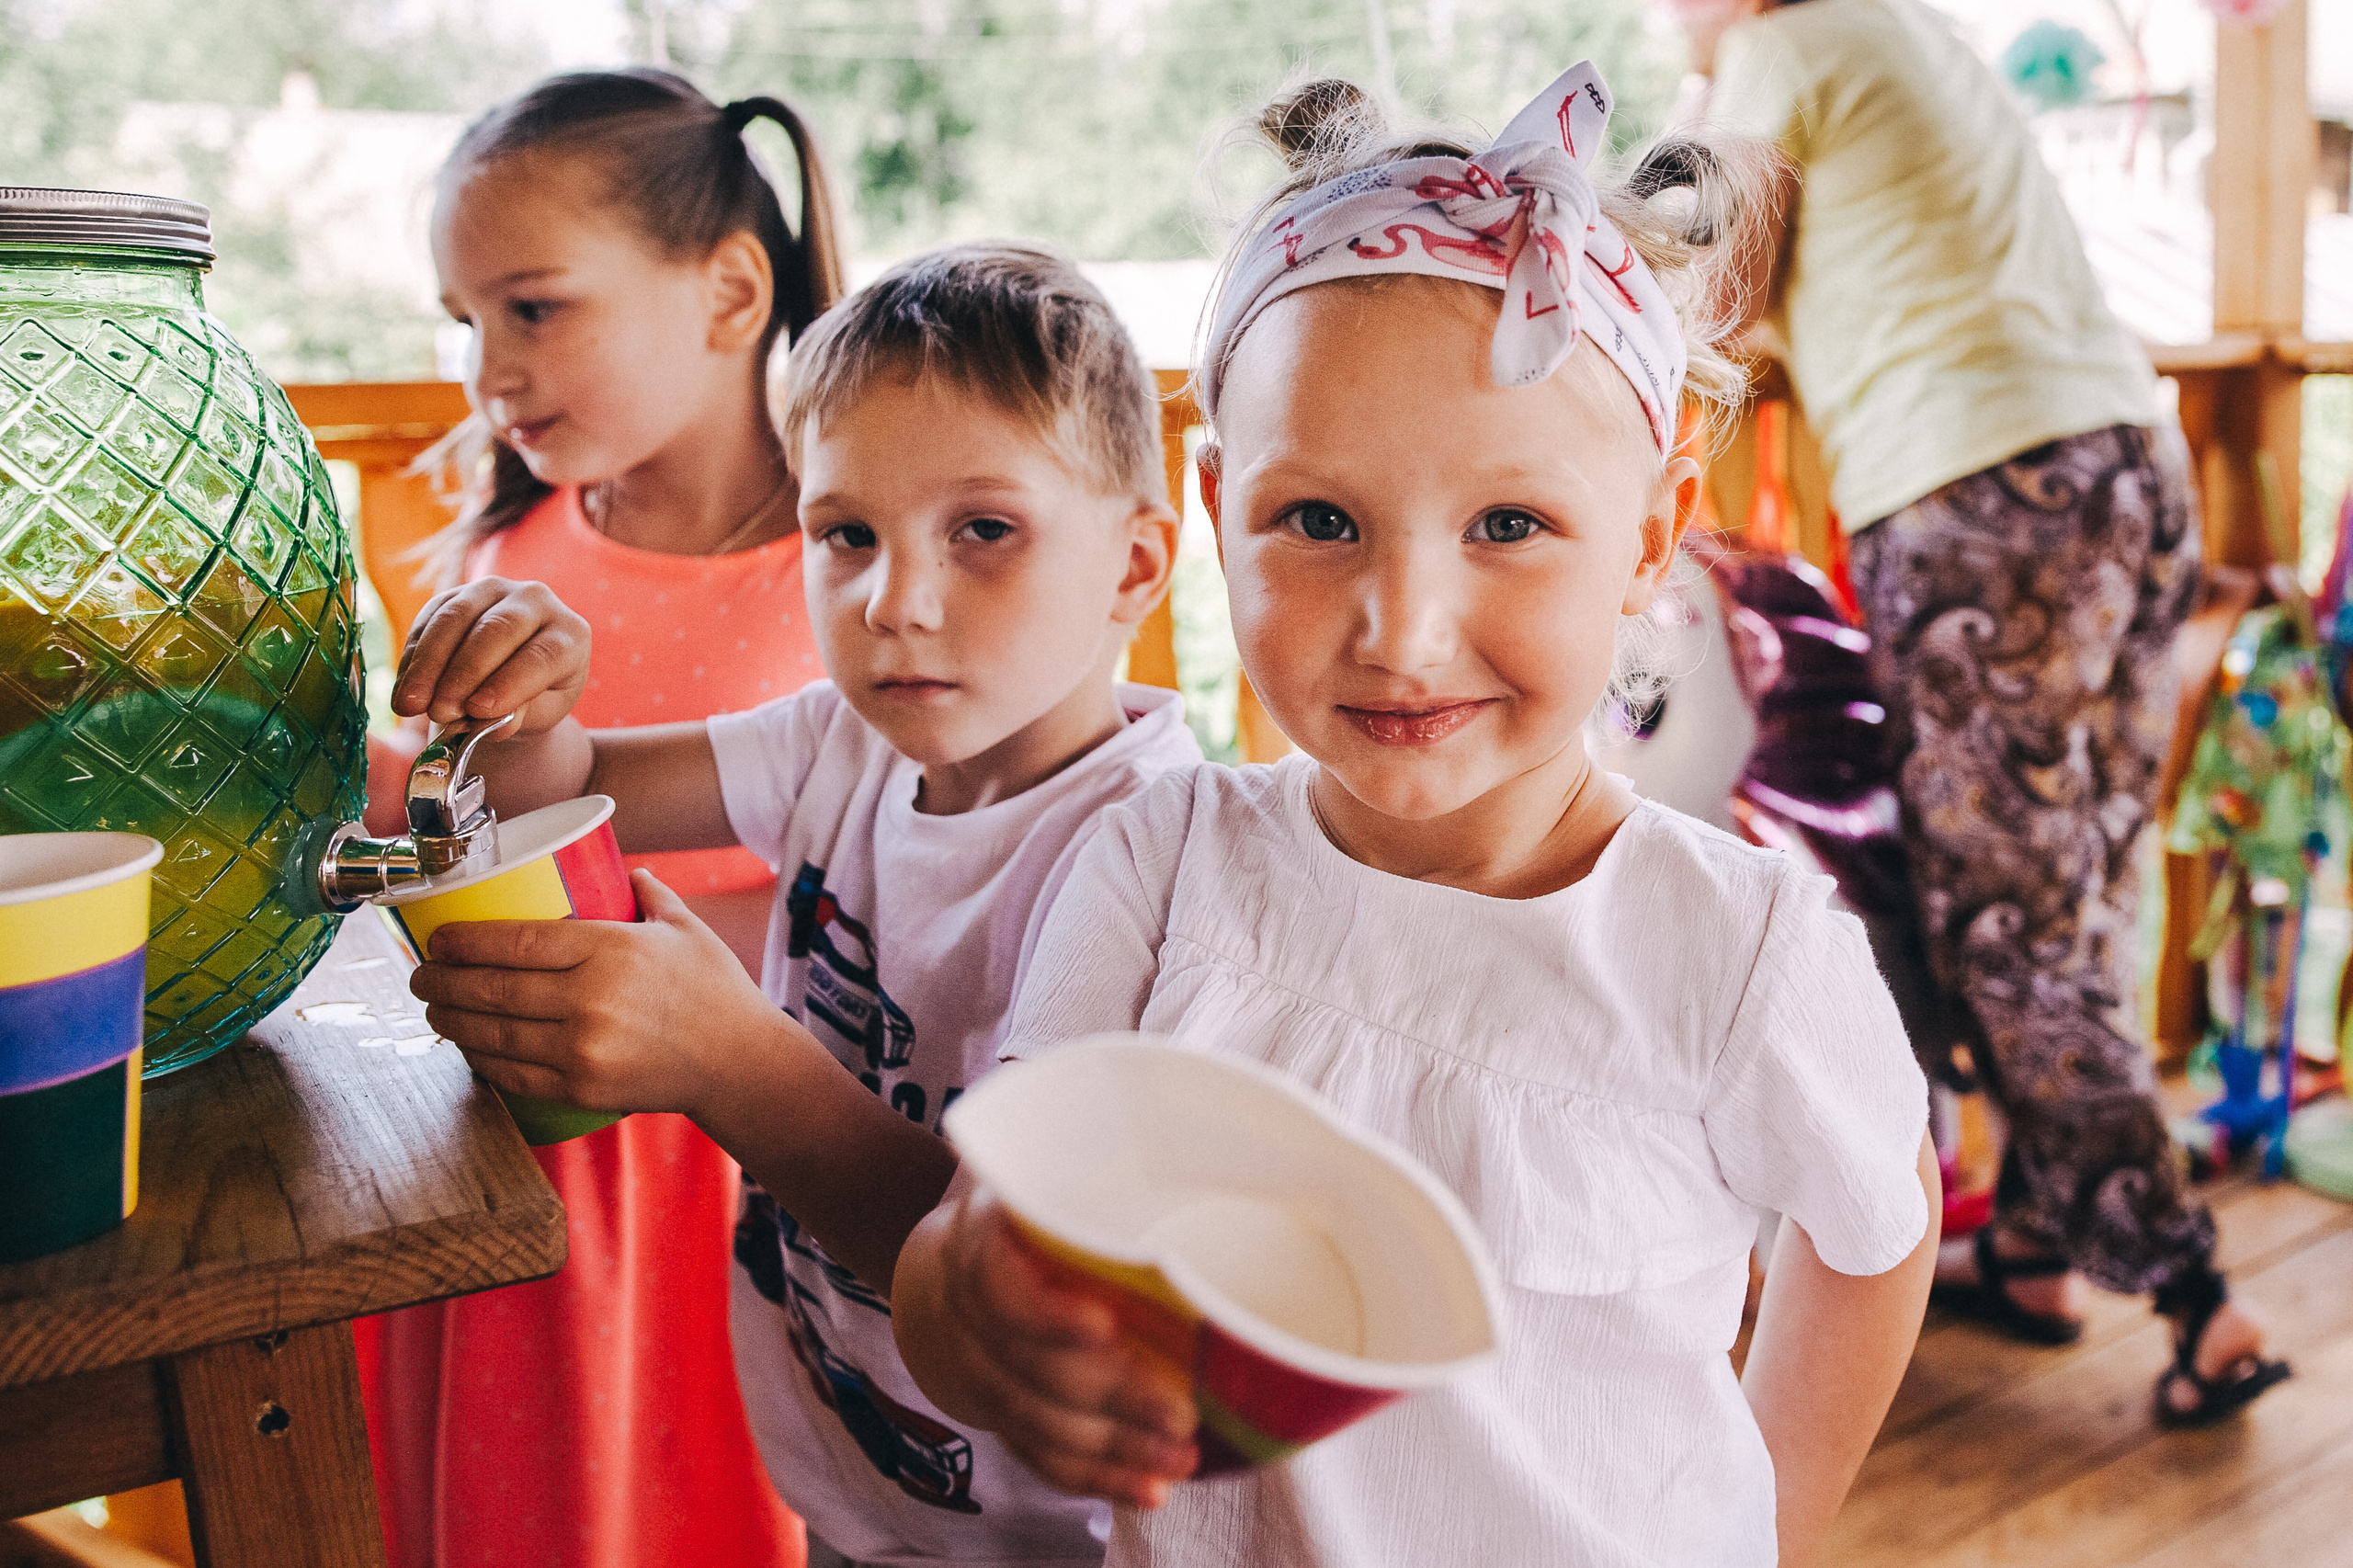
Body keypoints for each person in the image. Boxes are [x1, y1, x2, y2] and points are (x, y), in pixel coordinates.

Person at [892, 65, 1939, 1568]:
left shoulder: (1735, 949)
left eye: (1508, 525)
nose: (1400, 628)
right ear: (1215, 505)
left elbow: (1877, 1210)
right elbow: (969, 1235)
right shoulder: (1160, 862)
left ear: (1648, 531)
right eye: (1319, 521)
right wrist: (975, 1307)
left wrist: (1769, 1517)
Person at [392, 243, 1202, 1568]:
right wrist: (527, 690)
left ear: (1133, 568)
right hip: (850, 1478)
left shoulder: (1155, 855)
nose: (897, 600)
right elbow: (576, 778)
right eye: (848, 536)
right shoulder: (847, 741)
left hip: (1044, 1534)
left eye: (982, 529)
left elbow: (1006, 1281)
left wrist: (727, 1059)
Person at [1672, 0, 2290, 1426]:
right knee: (2082, 886)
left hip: (1980, 499)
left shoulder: (1779, 51)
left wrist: (1700, 93)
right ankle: (2032, 1243)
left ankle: (2197, 1298)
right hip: (2124, 466)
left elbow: (1708, 280)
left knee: (2005, 914)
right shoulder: (1903, 32)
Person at [354, 68, 842, 1568]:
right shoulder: (499, 564)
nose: (486, 369)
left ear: (730, 289)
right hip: (506, 1168)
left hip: (734, 1179)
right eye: (465, 322)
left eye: (535, 307)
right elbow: (464, 838)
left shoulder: (862, 573)